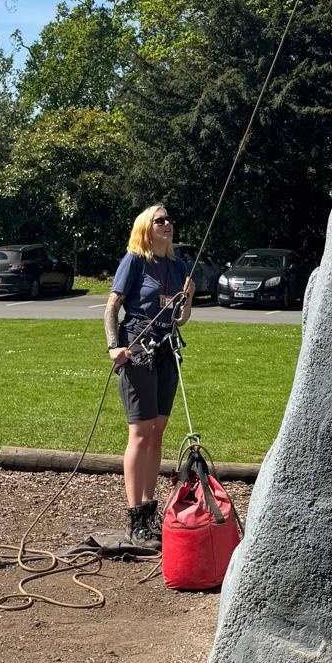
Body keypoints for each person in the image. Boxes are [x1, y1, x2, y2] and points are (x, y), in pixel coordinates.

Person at [104, 203, 195, 549]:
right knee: (140, 433)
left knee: (157, 431)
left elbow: (180, 318)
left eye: (169, 219)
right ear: (146, 227)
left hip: (167, 351)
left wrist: (188, 299)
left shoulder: (177, 266)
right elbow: (112, 305)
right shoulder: (134, 261)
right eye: (160, 220)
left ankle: (148, 509)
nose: (168, 223)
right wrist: (114, 346)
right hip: (138, 349)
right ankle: (134, 519)